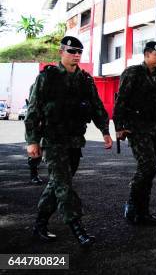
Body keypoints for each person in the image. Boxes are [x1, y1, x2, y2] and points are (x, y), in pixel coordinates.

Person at [25, 36, 113, 247]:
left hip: (75, 141)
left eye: (79, 52)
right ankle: (78, 230)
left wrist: (105, 131)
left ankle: (40, 224)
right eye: (71, 51)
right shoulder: (48, 77)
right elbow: (33, 111)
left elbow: (96, 106)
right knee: (64, 185)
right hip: (53, 140)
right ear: (61, 52)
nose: (76, 55)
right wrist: (32, 141)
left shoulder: (85, 79)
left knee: (57, 183)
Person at [113, 41, 156, 226]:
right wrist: (119, 126)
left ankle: (143, 212)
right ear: (147, 54)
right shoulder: (133, 72)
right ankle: (132, 204)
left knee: (150, 169)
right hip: (136, 126)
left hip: (154, 127)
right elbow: (121, 99)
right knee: (147, 166)